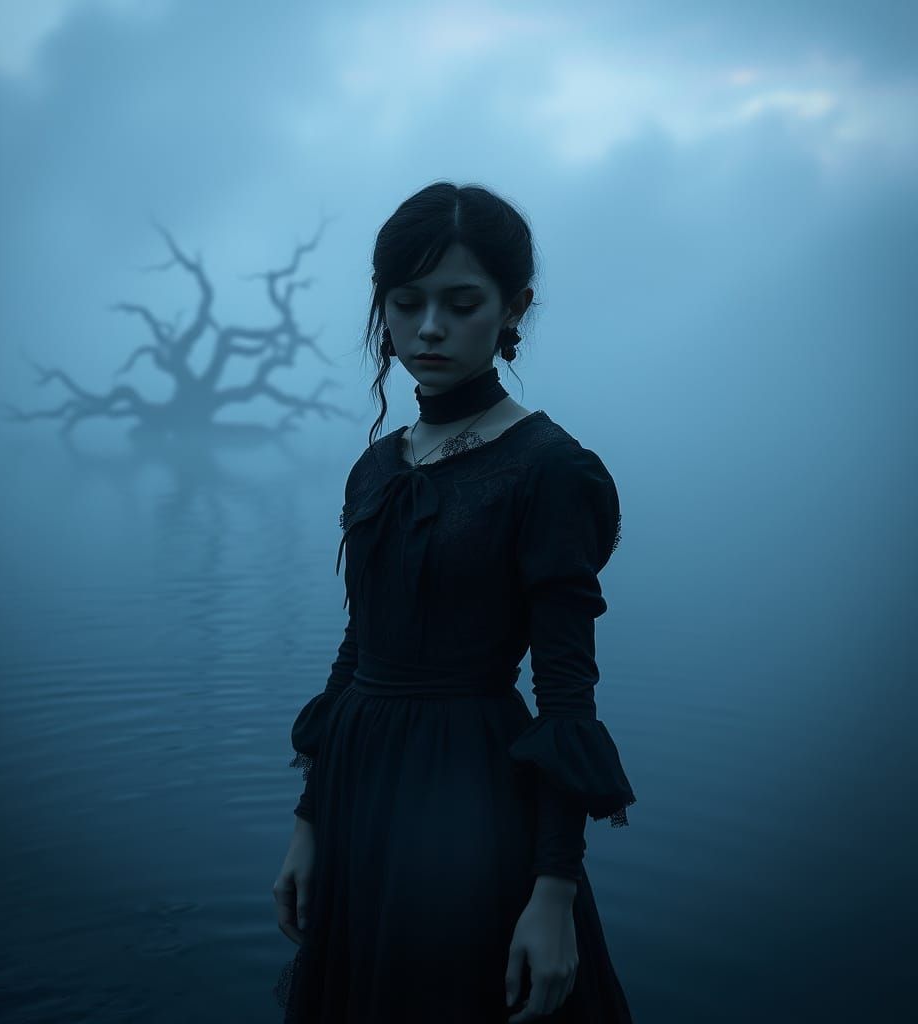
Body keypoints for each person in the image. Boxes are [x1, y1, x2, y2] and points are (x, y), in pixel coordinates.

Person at [272, 182, 637, 1023]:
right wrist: (309, 823)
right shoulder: (379, 465)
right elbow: (359, 648)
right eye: (406, 303)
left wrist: (552, 893)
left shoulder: (550, 470)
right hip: (361, 789)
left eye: (460, 303)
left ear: (515, 308)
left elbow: (566, 696)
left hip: (470, 794)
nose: (429, 327)